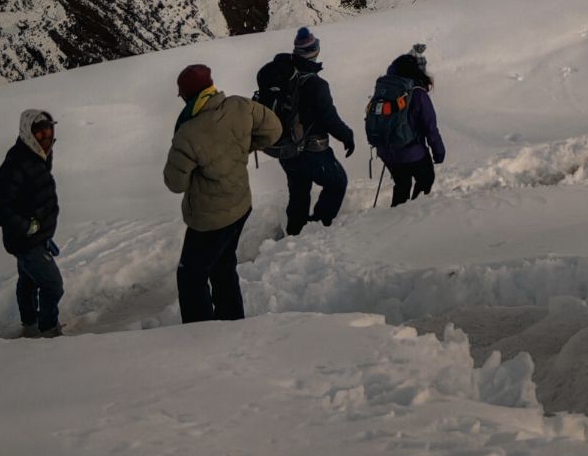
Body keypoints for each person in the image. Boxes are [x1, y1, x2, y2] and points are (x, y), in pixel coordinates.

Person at [162, 62, 281, 321]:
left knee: (191, 276)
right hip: (240, 206)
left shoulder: (188, 132)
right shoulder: (240, 106)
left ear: (186, 95)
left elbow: (175, 183)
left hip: (209, 219)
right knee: (223, 265)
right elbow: (274, 129)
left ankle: (200, 335)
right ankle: (231, 320)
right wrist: (243, 150)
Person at [257, 26, 357, 235]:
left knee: (299, 192)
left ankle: (295, 233)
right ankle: (317, 229)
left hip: (286, 150)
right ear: (315, 51)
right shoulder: (316, 84)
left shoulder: (281, 77)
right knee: (337, 183)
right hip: (313, 151)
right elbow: (329, 118)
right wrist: (347, 136)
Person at [0, 107, 63, 338]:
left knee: (28, 281)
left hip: (33, 237)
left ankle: (29, 325)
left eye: (48, 131)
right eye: (39, 133)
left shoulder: (38, 155)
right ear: (27, 133)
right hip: (28, 240)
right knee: (52, 285)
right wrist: (27, 226)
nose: (46, 138)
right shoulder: (18, 163)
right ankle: (49, 330)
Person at [366, 46, 445, 206]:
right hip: (411, 151)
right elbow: (431, 128)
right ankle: (414, 217)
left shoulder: (385, 89)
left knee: (402, 184)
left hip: (386, 151)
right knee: (426, 180)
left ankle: (397, 216)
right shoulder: (418, 93)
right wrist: (438, 152)